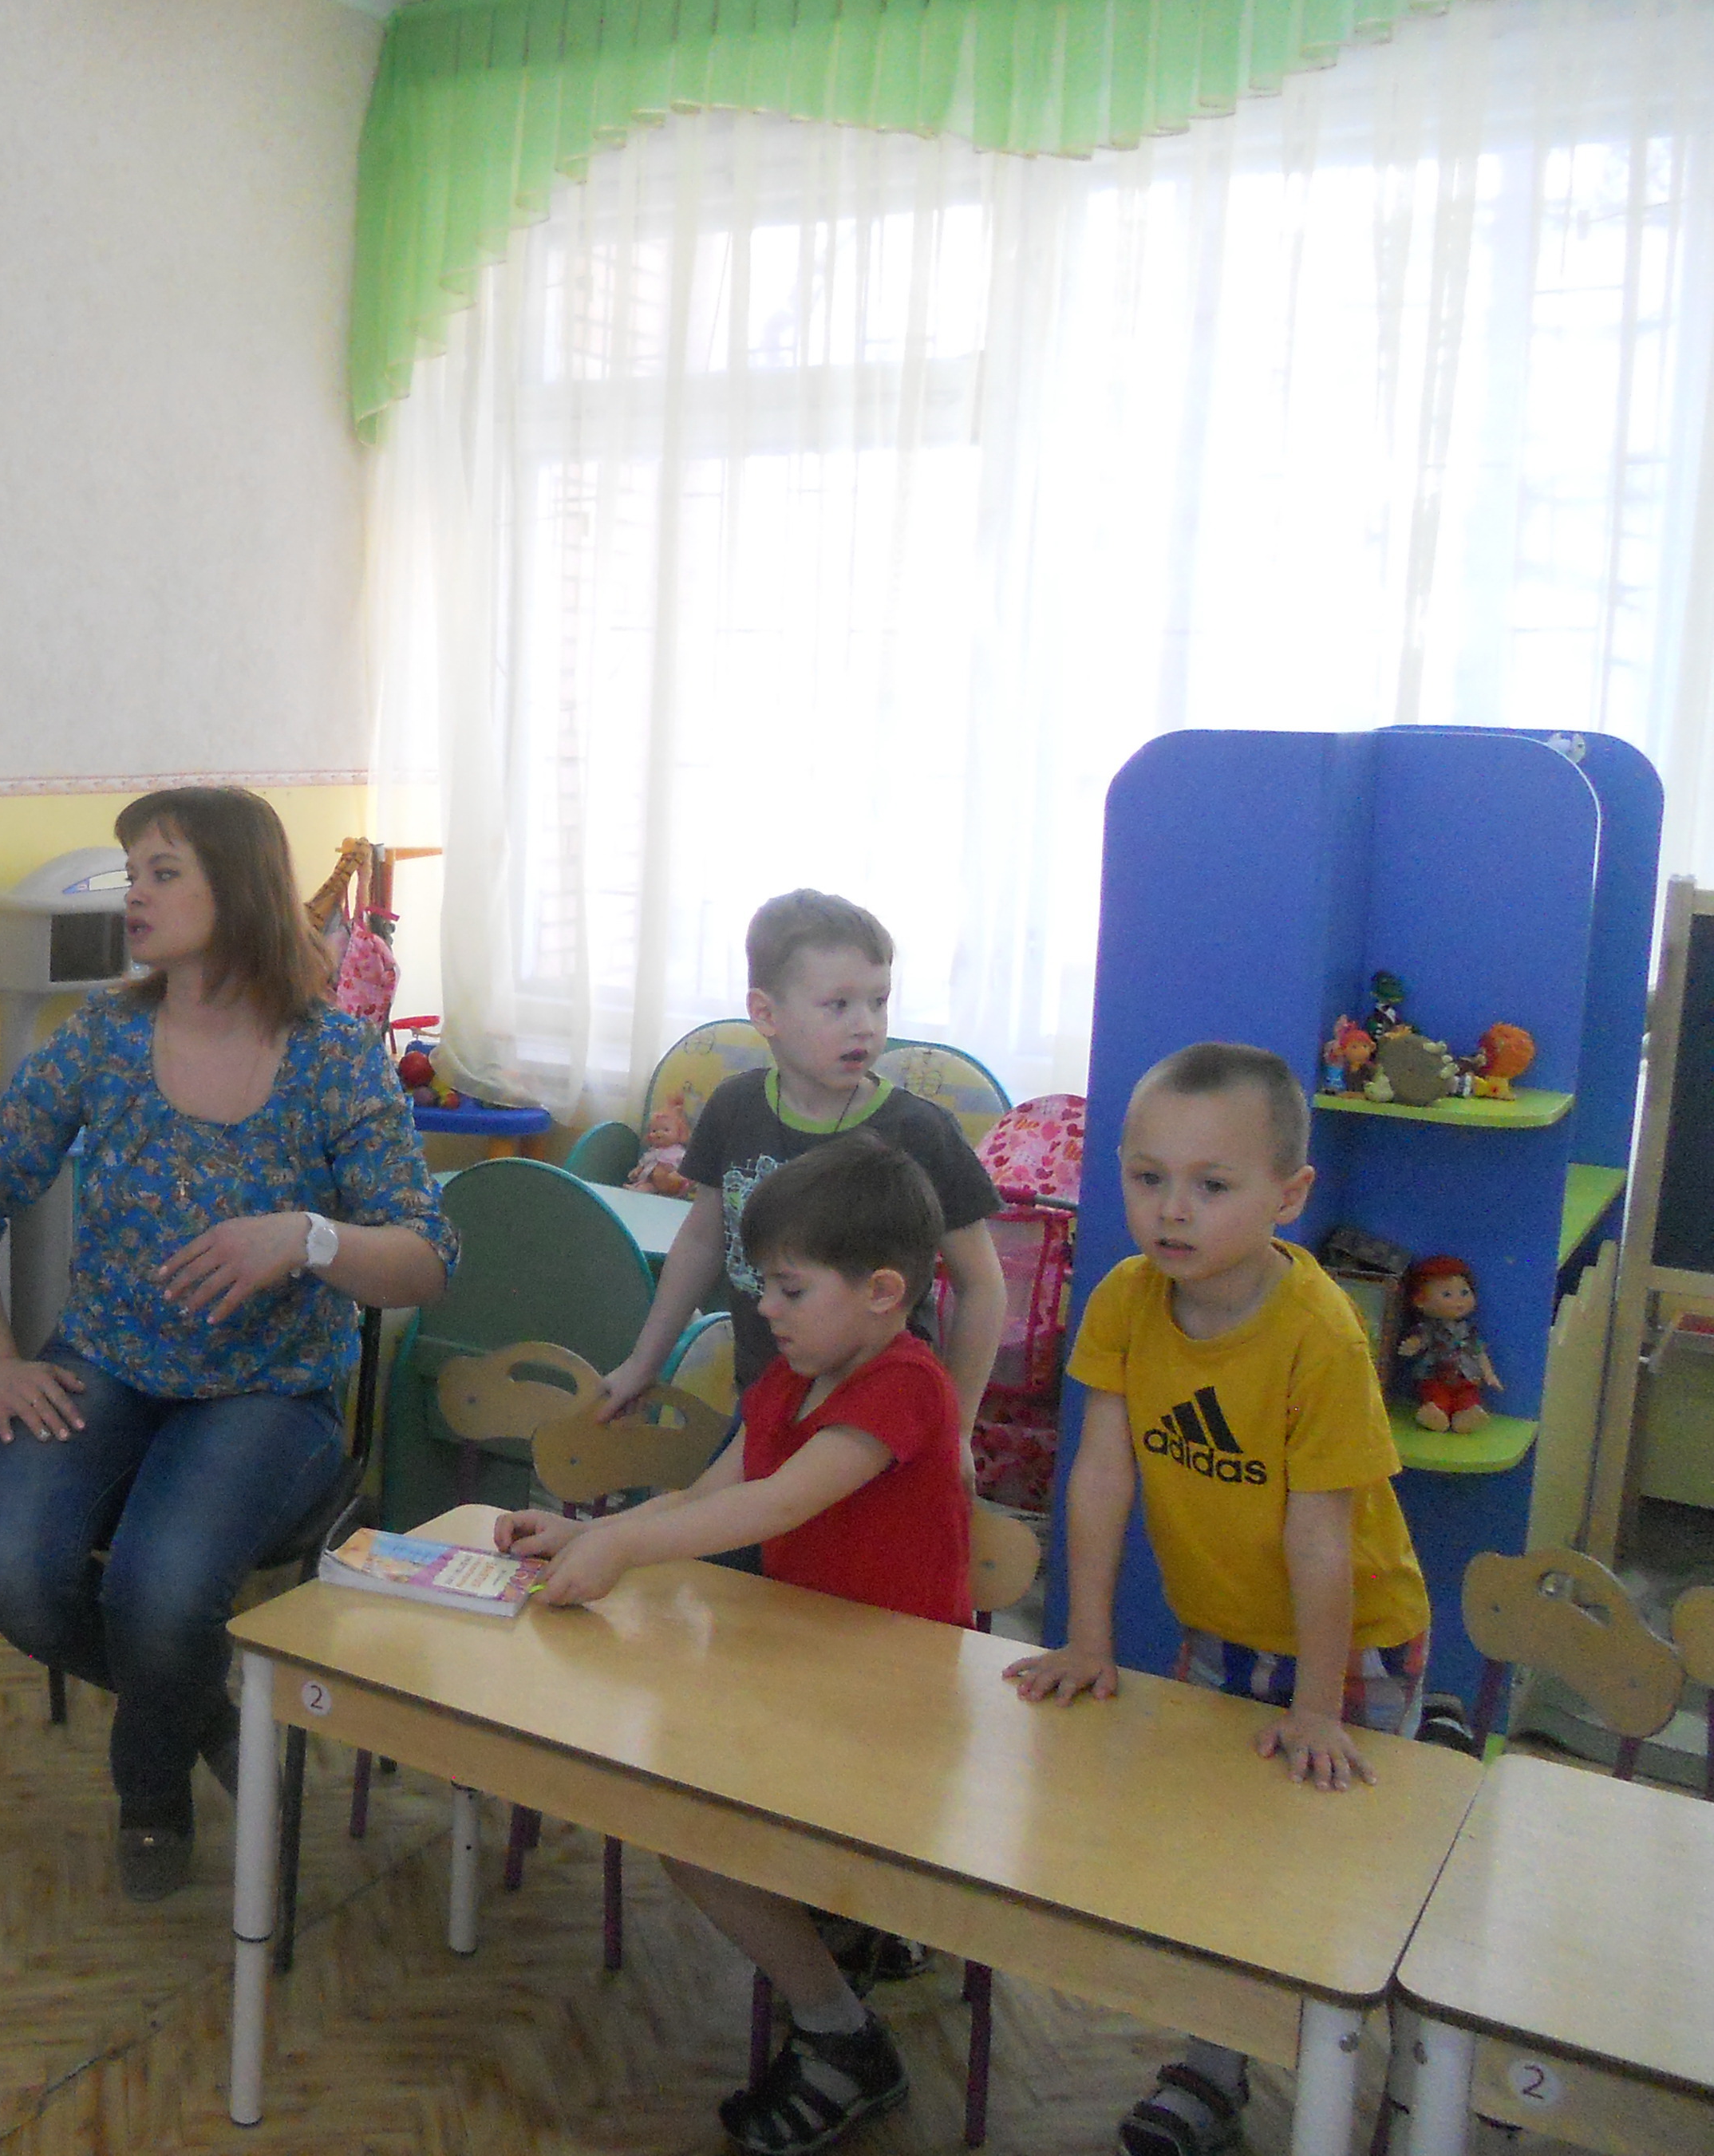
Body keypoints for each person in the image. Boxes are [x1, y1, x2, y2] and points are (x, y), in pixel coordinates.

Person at [0, 786, 456, 1900]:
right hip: (105, 1365)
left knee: (161, 1592)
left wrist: (307, 1237)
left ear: (241, 886)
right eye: (133, 874)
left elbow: (424, 1260)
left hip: (271, 1394)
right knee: (7, 1569)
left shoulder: (333, 1057)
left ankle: (151, 1794)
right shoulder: (104, 1039)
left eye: (163, 872)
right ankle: (206, 1711)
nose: (136, 895)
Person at [500, 1135, 966, 2156]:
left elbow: (774, 1505)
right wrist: (586, 1532)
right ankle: (849, 1950)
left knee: (695, 1833)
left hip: (893, 1705)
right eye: (763, 1287)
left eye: (791, 1290)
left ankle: (841, 2037)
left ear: (883, 1292)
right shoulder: (793, 1382)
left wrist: (622, 1546)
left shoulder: (905, 1385)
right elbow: (705, 1497)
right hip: (804, 1670)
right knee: (690, 1812)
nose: (766, 1310)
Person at [1006, 1041, 1432, 2156]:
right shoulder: (1124, 1298)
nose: (1171, 1210)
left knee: (1334, 1864)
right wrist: (1087, 1637)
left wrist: (1320, 1705)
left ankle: (1403, 2080)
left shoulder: (1320, 1334)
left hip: (1354, 1645)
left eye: (1211, 1184)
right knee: (1218, 1855)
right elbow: (1100, 1474)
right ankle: (1210, 2072)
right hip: (1221, 1631)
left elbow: (1321, 1535)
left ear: (1288, 1195)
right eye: (1147, 1177)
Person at [598, 890, 1005, 1471]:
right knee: (734, 1525)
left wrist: (956, 1430)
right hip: (763, 1404)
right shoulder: (734, 1108)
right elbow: (702, 1242)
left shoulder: (919, 1131)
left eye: (879, 1002)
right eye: (838, 1005)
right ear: (766, 1014)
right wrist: (644, 1364)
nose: (866, 1025)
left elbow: (982, 1285)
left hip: (878, 1423)